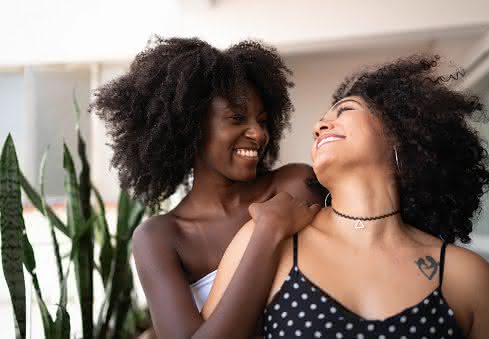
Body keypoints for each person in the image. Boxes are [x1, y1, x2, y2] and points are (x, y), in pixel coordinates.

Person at [203, 55, 489, 338]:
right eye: (320, 122)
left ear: (400, 134)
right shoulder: (269, 239)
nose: (319, 126)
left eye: (346, 110)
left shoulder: (467, 277)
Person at [91, 36, 324, 338]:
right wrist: (267, 232)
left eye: (263, 121)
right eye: (237, 118)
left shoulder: (294, 186)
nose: (258, 133)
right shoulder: (160, 238)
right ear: (191, 127)